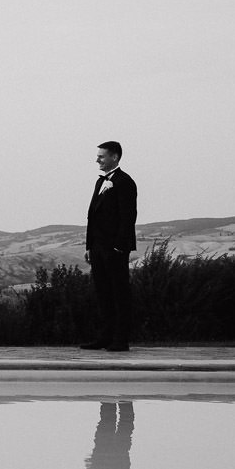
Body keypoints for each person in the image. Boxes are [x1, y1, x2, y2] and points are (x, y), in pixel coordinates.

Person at [82, 141, 137, 352]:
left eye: (101, 156)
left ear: (114, 157)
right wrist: (89, 246)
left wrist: (119, 247)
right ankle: (105, 337)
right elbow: (92, 216)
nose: (97, 160)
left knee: (119, 294)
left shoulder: (125, 182)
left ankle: (121, 340)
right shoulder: (100, 182)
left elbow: (128, 217)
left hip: (115, 249)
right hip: (97, 248)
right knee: (103, 293)